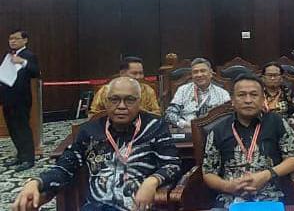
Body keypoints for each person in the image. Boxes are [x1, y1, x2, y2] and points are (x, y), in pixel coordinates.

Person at [12, 77, 181, 211]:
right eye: (114, 99)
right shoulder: (90, 131)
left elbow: (172, 164)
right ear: (106, 102)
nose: (121, 106)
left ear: (139, 102)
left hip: (137, 205)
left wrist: (152, 181)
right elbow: (65, 166)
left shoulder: (155, 127)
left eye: (129, 100)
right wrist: (36, 182)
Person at [202, 73, 294, 206]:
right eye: (241, 95)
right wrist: (227, 186)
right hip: (230, 200)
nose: (248, 100)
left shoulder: (277, 122)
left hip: (271, 196)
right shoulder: (218, 130)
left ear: (263, 99)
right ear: (232, 100)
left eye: (254, 95)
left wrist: (267, 175)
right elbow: (208, 172)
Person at [0, 30, 40, 171]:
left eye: (16, 38)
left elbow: (36, 72)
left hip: (21, 99)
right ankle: (20, 156)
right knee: (13, 129)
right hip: (7, 98)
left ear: (25, 40)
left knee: (22, 128)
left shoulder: (29, 55)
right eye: (11, 39)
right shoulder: (8, 56)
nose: (12, 41)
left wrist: (22, 62)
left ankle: (28, 159)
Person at [165, 57, 230, 130]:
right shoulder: (182, 90)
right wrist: (184, 124)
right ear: (192, 75)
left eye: (203, 71)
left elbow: (228, 117)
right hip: (188, 130)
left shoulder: (222, 93)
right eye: (195, 72)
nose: (199, 75)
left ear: (211, 73)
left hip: (214, 131)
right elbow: (170, 114)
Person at [89, 56, 161, 117]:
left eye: (141, 73)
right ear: (122, 73)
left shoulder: (148, 90)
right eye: (134, 73)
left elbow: (156, 114)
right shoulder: (106, 90)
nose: (139, 77)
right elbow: (93, 114)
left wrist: (139, 112)